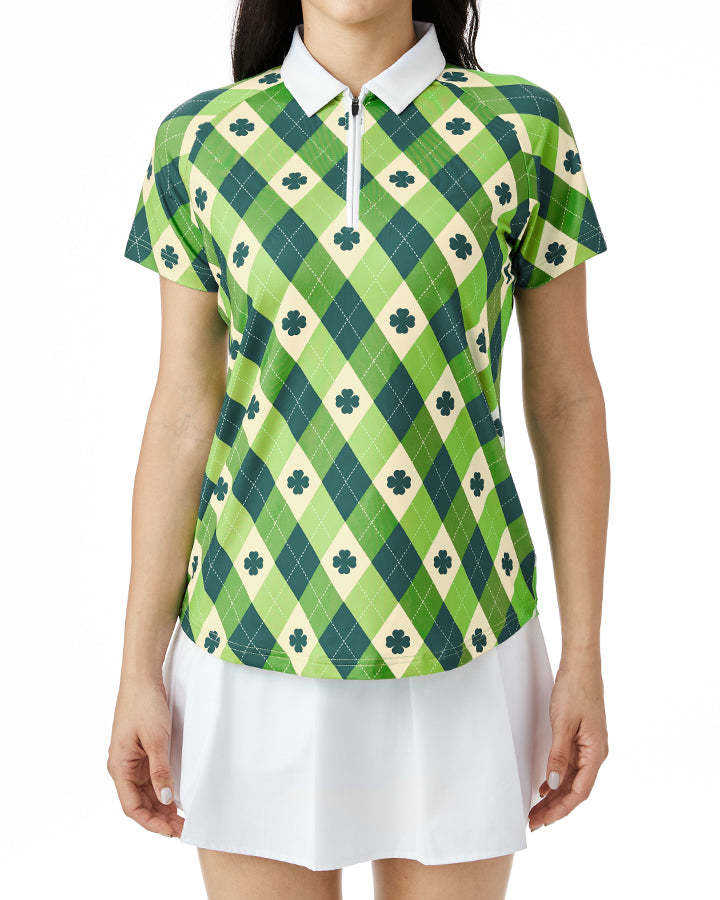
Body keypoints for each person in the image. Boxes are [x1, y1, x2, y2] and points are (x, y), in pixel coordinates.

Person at [109, 1, 610, 897]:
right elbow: (183, 410)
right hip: (248, 637)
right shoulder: (200, 141)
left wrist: (584, 655)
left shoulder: (522, 129)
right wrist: (137, 668)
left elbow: (566, 401)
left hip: (464, 634)